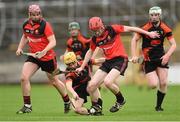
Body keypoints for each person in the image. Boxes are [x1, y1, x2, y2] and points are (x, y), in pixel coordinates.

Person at [76, 16, 159, 113]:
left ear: (102, 25)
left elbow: (131, 29)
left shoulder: (112, 29)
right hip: (108, 62)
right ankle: (97, 107)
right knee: (91, 86)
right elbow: (90, 51)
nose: (96, 32)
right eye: (94, 31)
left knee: (108, 82)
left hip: (120, 60)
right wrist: (82, 67)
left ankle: (120, 100)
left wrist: (148, 33)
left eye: (97, 29)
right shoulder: (95, 39)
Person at [16, 4, 70, 114]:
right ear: (29, 15)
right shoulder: (26, 25)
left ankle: (67, 101)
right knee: (24, 78)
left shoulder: (45, 25)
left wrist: (43, 52)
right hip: (34, 57)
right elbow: (25, 36)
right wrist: (20, 48)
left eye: (38, 14)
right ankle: (27, 106)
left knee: (54, 81)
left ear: (40, 14)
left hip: (48, 58)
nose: (36, 17)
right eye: (34, 15)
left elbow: (53, 41)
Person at [131, 6, 176, 111]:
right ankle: (151, 75)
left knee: (164, 83)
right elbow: (134, 40)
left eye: (156, 15)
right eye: (152, 15)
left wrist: (167, 55)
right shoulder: (144, 28)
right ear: (149, 16)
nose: (154, 17)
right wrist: (134, 55)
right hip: (148, 60)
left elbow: (173, 45)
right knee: (153, 85)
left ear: (159, 15)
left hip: (161, 58)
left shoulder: (165, 28)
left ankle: (158, 106)